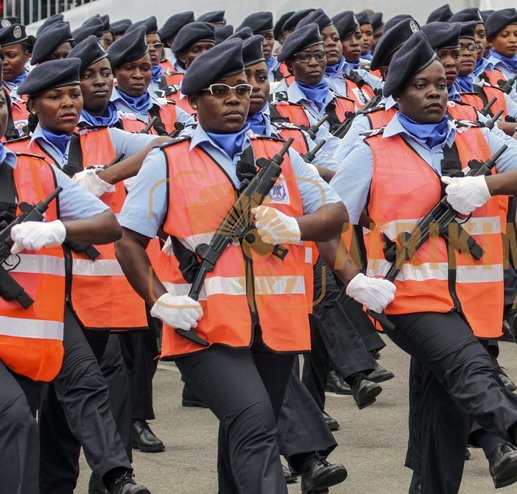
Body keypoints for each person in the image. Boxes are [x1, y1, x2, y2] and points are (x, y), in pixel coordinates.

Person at [327, 30, 517, 494]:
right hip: (407, 297)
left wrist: (488, 187)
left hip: (474, 298)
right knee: (468, 367)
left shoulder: (480, 137)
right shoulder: (371, 150)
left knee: (446, 416)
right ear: (397, 93)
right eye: (420, 85)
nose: (434, 92)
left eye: (440, 84)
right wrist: (352, 279)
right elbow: (331, 223)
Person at [115, 37, 348, 494]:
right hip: (203, 324)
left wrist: (294, 227)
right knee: (256, 422)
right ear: (196, 100)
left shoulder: (279, 152)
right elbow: (128, 240)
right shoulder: (168, 160)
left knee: (241, 433)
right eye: (220, 91)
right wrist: (160, 300)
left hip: (276, 325)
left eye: (241, 91)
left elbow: (337, 213)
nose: (235, 100)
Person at [8, 56, 151, 494]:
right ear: (29, 106)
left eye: (74, 94)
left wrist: (103, 178)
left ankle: (115, 476)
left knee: (85, 386)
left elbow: (166, 145)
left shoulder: (98, 141)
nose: (70, 103)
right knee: (31, 409)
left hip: (84, 298)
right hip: (25, 300)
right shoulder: (23, 154)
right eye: (57, 96)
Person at [108, 26, 194, 135]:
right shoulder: (105, 112)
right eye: (129, 68)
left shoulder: (166, 108)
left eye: (145, 68)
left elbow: (194, 129)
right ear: (114, 72)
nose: (138, 75)